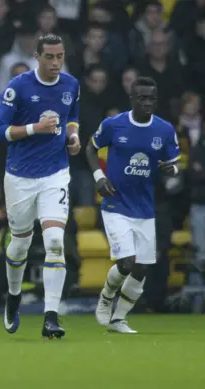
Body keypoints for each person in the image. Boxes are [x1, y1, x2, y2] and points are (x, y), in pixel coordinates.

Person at [0, 34, 81, 339]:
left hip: (55, 173)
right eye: (50, 57)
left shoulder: (71, 84)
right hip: (20, 175)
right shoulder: (18, 87)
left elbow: (73, 118)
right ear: (37, 56)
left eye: (60, 56)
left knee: (55, 241)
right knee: (20, 244)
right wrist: (34, 129)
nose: (56, 63)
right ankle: (13, 295)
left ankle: (51, 317)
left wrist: (73, 137)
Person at [86, 77, 180, 333]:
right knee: (127, 262)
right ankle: (106, 296)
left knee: (141, 268)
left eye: (151, 98)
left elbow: (174, 164)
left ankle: (119, 319)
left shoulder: (164, 130)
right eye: (142, 98)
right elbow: (90, 149)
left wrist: (171, 170)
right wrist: (99, 177)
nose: (147, 103)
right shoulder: (114, 125)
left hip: (145, 208)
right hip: (116, 204)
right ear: (132, 99)